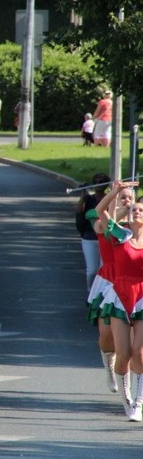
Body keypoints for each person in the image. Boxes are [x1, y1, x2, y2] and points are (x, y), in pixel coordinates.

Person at [96, 180, 143, 420]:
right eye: (134, 208)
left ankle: (139, 402)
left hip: (141, 297)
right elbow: (100, 215)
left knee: (140, 352)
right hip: (116, 291)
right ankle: (122, 391)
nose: (135, 210)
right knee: (118, 347)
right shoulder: (119, 234)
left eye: (139, 209)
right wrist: (115, 192)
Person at [88, 182, 132, 397]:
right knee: (107, 335)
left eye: (130, 198)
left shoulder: (136, 226)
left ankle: (130, 379)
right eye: (122, 197)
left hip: (131, 282)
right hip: (108, 282)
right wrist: (117, 200)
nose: (127, 202)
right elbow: (107, 219)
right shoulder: (101, 223)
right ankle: (109, 366)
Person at [77, 174, 111, 294]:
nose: (98, 185)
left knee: (104, 268)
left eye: (101, 182)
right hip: (89, 238)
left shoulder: (109, 198)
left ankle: (102, 293)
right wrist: (83, 194)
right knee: (92, 270)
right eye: (96, 182)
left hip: (105, 238)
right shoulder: (88, 199)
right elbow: (79, 210)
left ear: (106, 184)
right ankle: (91, 292)